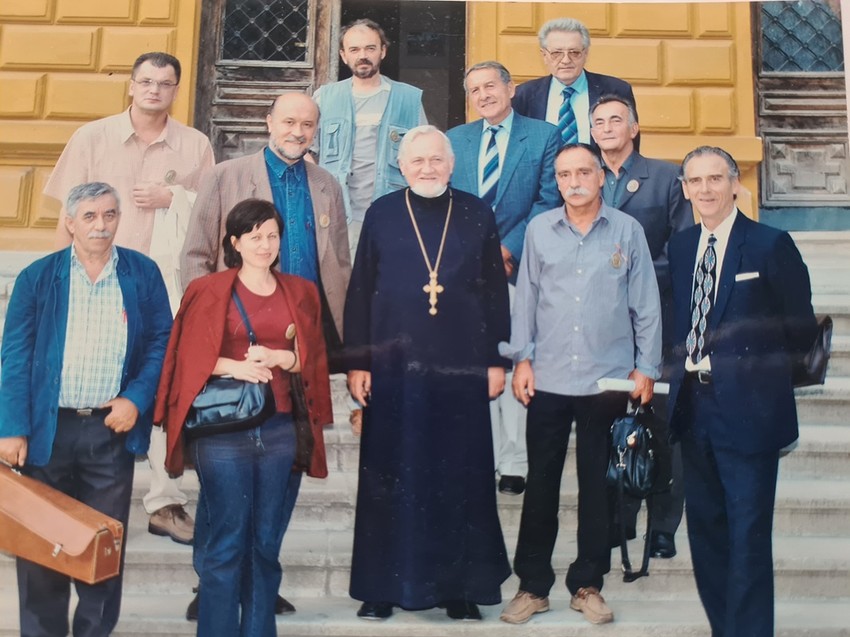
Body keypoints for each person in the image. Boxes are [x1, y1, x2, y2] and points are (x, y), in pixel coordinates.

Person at [179, 90, 350, 617]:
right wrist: (206, 330)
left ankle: (259, 581)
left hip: (297, 346)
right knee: (224, 471)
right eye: (289, 121)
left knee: (282, 471)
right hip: (236, 346)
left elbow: (338, 264)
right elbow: (195, 255)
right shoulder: (228, 175)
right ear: (268, 121)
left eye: (308, 124)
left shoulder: (326, 185)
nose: (298, 131)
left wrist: (339, 341)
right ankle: (211, 584)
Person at [43, 51, 215, 546]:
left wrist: (174, 197)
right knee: (88, 381)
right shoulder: (91, 138)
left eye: (164, 83)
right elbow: (68, 217)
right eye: (145, 81)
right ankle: (73, 499)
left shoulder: (194, 145)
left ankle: (164, 501)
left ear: (176, 90)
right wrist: (60, 282)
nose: (154, 90)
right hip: (95, 281)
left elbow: (208, 218)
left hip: (160, 286)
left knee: (163, 386)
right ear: (132, 86)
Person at [345, 125, 511, 621]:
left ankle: (458, 589)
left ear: (451, 163)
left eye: (436, 160)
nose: (427, 168)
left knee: (460, 476)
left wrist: (497, 361)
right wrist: (356, 361)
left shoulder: (477, 213)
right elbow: (360, 290)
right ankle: (381, 587)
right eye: (416, 161)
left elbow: (494, 297)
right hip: (393, 371)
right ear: (402, 166)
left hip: (459, 370)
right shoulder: (382, 213)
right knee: (387, 475)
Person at [153, 198, 333, 637]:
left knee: (265, 546)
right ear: (235, 242)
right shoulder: (209, 290)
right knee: (227, 543)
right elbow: (185, 356)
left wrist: (281, 356)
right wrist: (233, 366)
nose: (265, 244)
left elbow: (313, 359)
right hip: (224, 433)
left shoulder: (301, 290)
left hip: (279, 429)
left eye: (272, 236)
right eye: (254, 237)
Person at [0, 182, 172, 637]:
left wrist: (136, 398)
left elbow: (161, 344)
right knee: (41, 548)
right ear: (70, 222)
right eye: (91, 216)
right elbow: (14, 356)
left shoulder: (142, 273)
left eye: (110, 215)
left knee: (104, 547)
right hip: (46, 431)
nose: (101, 225)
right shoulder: (38, 278)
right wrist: (12, 427)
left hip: (108, 430)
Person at [499, 143, 661, 625]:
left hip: (606, 380)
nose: (574, 181)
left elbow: (646, 305)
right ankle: (532, 587)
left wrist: (646, 367)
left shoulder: (627, 231)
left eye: (583, 172)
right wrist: (521, 361)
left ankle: (588, 584)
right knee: (541, 484)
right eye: (565, 173)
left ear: (600, 177)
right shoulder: (540, 231)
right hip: (546, 376)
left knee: (598, 487)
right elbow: (524, 299)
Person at [667, 146, 817, 636]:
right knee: (707, 533)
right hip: (696, 410)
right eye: (696, 181)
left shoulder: (770, 244)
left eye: (716, 179)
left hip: (750, 415)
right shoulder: (683, 244)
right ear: (685, 189)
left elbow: (799, 329)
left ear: (735, 183)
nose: (706, 190)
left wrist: (762, 382)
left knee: (748, 535)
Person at [446, 60, 561, 496]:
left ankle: (514, 462)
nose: (483, 95)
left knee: (514, 361)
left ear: (510, 89)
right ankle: (482, 456)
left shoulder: (543, 135)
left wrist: (506, 248)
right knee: (473, 365)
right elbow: (448, 202)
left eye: (490, 86)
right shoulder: (456, 140)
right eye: (474, 89)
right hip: (465, 273)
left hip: (518, 269)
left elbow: (548, 199)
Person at [590, 94, 693, 557]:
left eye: (617, 120)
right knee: (612, 422)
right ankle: (619, 521)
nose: (608, 127)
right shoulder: (584, 177)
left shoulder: (666, 177)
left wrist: (635, 274)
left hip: (662, 319)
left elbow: (685, 246)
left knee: (663, 424)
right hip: (604, 325)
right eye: (599, 121)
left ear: (634, 128)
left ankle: (664, 526)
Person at [313, 18, 427, 261]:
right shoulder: (325, 97)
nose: (362, 55)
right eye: (354, 49)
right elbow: (307, 153)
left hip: (394, 214)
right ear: (343, 55)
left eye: (370, 48)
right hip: (338, 215)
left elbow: (424, 155)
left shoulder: (408, 98)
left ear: (383, 51)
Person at [512, 18, 638, 150]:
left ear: (585, 53)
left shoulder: (616, 90)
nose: (566, 60)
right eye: (557, 53)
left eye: (574, 52)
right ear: (544, 55)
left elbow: (631, 148)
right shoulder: (523, 95)